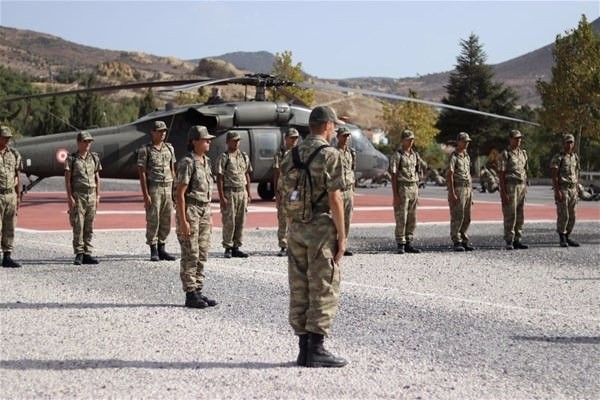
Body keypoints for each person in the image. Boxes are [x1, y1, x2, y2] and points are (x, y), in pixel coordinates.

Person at [279, 105, 347, 368]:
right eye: (334, 127)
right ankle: (316, 349)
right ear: (328, 126)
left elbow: (284, 193)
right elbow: (335, 197)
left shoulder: (291, 154)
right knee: (323, 285)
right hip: (319, 228)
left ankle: (303, 349)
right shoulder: (330, 155)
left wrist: (289, 224)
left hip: (295, 227)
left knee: (299, 286)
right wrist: (342, 236)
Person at [174, 125, 218, 309]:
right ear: (194, 141)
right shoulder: (188, 163)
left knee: (202, 251)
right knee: (190, 252)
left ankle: (198, 289)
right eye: (205, 139)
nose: (209, 141)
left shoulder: (206, 162)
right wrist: (183, 220)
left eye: (209, 139)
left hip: (204, 211)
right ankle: (190, 293)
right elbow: (180, 193)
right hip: (191, 210)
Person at [137, 120, 177, 262]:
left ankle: (162, 248)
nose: (162, 134)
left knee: (166, 219)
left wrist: (174, 190)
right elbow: (142, 173)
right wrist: (145, 194)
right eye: (159, 131)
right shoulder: (146, 150)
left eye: (164, 131)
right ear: (153, 132)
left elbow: (172, 170)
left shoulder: (170, 148)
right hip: (154, 187)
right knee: (153, 219)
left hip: (168, 186)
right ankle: (153, 249)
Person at [65, 131, 102, 265]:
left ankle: (87, 253)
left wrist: (98, 195)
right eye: (85, 141)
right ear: (79, 143)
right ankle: (79, 253)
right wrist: (70, 197)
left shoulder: (94, 158)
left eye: (89, 142)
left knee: (89, 224)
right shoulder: (72, 159)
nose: (88, 144)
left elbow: (97, 178)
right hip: (78, 195)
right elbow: (68, 180)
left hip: (91, 195)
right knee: (78, 224)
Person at [216, 131, 253, 258]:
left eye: (238, 140)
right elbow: (219, 177)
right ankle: (228, 247)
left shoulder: (243, 156)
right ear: (228, 142)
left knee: (240, 220)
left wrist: (248, 193)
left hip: (241, 192)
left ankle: (236, 246)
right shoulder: (224, 157)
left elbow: (247, 174)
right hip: (229, 192)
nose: (236, 142)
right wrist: (221, 197)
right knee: (229, 221)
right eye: (233, 140)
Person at [389, 129, 426, 254]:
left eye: (412, 139)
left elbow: (418, 171)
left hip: (413, 187)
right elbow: (393, 175)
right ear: (402, 140)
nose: (411, 141)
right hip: (402, 187)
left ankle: (409, 241)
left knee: (412, 217)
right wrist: (395, 195)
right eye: (408, 139)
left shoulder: (415, 155)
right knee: (401, 217)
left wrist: (417, 189)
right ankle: (401, 243)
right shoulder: (398, 155)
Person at [499, 129, 529, 250]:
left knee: (520, 214)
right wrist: (503, 191)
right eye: (516, 138)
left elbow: (525, 170)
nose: (518, 141)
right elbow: (501, 173)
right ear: (510, 139)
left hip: (521, 186)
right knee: (510, 214)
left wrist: (526, 185)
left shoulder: (523, 153)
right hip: (510, 186)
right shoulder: (506, 154)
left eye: (519, 138)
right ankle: (509, 240)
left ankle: (517, 239)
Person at [273, 127, 300, 257]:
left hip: (295, 191)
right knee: (283, 218)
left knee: (295, 218)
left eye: (296, 138)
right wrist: (276, 193)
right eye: (292, 138)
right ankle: (283, 245)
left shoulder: (300, 153)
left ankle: (294, 245)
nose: (294, 140)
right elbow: (276, 174)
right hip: (283, 191)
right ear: (286, 139)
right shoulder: (280, 154)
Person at [550, 134, 581, 248]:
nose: (569, 144)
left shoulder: (575, 157)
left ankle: (567, 236)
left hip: (573, 189)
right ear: (563, 144)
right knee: (564, 214)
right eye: (567, 142)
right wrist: (557, 191)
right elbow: (554, 175)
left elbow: (576, 173)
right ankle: (562, 237)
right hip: (563, 188)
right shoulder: (559, 157)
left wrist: (577, 189)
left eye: (571, 142)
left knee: (573, 215)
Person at [446, 132, 474, 252]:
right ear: (458, 142)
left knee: (467, 216)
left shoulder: (466, 156)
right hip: (458, 188)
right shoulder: (454, 156)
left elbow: (468, 174)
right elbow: (449, 175)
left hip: (468, 188)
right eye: (464, 141)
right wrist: (452, 193)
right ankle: (456, 240)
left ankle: (464, 239)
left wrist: (471, 192)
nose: (466, 143)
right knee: (458, 215)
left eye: (467, 141)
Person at [0, 126, 23, 268]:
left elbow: (17, 176)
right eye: (5, 137)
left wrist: (18, 196)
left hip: (11, 195)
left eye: (9, 138)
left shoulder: (14, 154)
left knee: (10, 227)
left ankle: (7, 257)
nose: (7, 140)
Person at [336, 126, 356, 256]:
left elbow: (353, 170)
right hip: (338, 190)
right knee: (336, 220)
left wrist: (353, 189)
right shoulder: (333, 152)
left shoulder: (351, 153)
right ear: (338, 137)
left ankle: (343, 244)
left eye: (348, 136)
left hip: (349, 190)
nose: (346, 138)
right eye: (343, 135)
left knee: (347, 219)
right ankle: (333, 245)